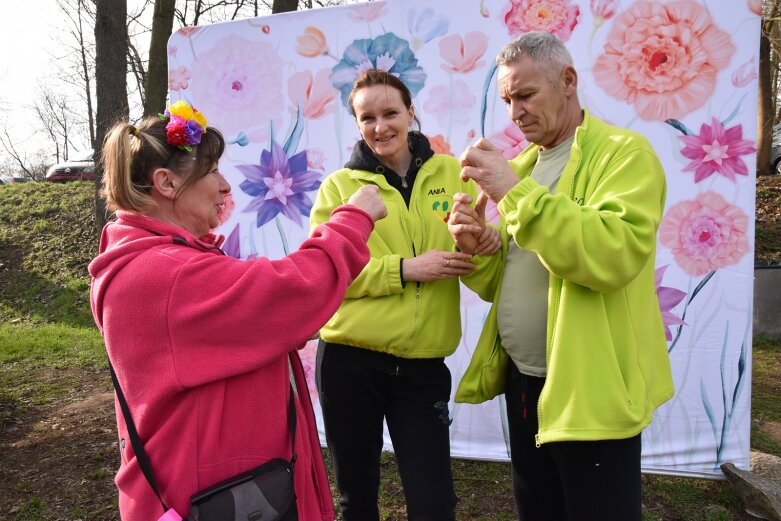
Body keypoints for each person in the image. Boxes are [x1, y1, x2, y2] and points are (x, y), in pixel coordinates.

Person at [88, 100, 387, 521]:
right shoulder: (166, 276)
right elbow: (291, 294)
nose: (225, 186)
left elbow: (257, 318)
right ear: (166, 183)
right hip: (221, 498)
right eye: (211, 171)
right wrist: (352, 221)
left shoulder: (156, 263)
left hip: (229, 490)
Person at [447, 32, 675, 521]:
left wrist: (513, 190)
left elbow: (611, 256)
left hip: (590, 390)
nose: (515, 112)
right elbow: (509, 281)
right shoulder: (527, 164)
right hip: (525, 383)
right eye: (508, 99)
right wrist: (478, 249)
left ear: (568, 81)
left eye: (526, 94)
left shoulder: (624, 154)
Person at [309, 68, 499, 521]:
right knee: (358, 502)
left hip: (422, 368)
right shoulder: (340, 187)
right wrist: (406, 269)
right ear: (356, 124)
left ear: (411, 112)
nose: (380, 126)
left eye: (390, 112)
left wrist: (485, 244)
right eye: (367, 117)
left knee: (434, 504)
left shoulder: (454, 173)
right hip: (349, 363)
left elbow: (477, 270)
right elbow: (326, 272)